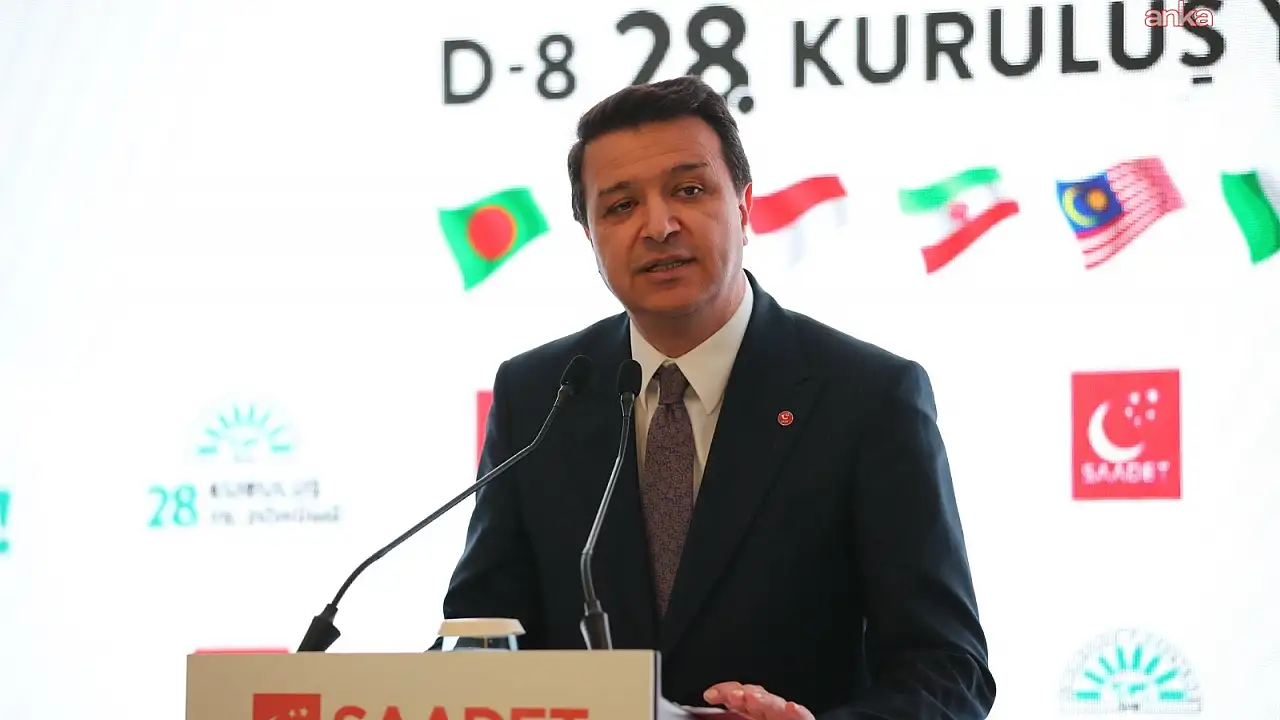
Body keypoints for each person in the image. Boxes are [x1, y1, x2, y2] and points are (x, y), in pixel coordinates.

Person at [438, 75, 996, 720]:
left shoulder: (869, 397)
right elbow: (480, 638)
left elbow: (948, 671)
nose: (658, 226)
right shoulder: (539, 396)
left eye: (689, 190)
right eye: (620, 206)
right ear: (589, 235)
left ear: (745, 206)